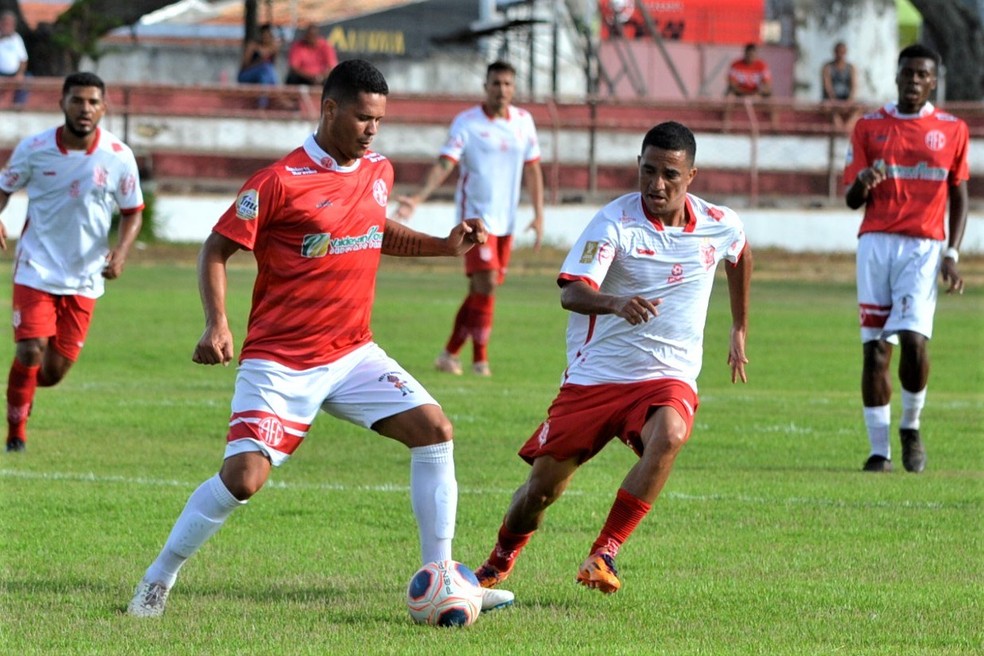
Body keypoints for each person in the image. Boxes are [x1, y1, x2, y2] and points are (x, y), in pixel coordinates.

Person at [126, 59, 514, 618]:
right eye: (362, 118)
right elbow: (215, 249)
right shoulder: (278, 182)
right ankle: (158, 578)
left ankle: (443, 576)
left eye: (378, 119)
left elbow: (376, 229)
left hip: (352, 352)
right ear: (329, 109)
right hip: (281, 362)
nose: (372, 130)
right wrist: (218, 323)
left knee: (434, 431)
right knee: (243, 478)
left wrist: (441, 244)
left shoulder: (377, 170)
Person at [472, 121, 752, 594]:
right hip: (596, 378)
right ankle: (499, 560)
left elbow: (740, 255)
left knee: (671, 433)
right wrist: (616, 303)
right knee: (542, 490)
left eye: (669, 175)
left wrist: (739, 325)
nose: (656, 185)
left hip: (667, 375)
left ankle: (605, 553)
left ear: (692, 177)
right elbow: (572, 293)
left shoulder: (720, 224)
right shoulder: (615, 223)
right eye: (647, 171)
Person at [0, 72, 144, 453]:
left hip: (85, 276)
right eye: (77, 100)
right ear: (62, 103)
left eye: (93, 102)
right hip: (36, 267)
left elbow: (133, 212)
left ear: (104, 108)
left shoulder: (118, 156)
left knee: (52, 371)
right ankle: (16, 435)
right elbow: (3, 187)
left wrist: (122, 252)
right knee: (30, 348)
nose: (85, 109)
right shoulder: (35, 148)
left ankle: (20, 391)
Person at [844, 44, 969, 474]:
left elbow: (960, 194)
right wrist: (863, 181)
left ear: (933, 81)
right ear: (896, 76)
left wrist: (952, 253)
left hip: (923, 247)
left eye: (922, 75)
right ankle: (879, 452)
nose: (913, 81)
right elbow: (851, 199)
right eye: (907, 73)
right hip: (876, 243)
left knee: (914, 342)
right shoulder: (868, 126)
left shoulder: (953, 129)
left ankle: (911, 427)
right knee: (876, 351)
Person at [394, 60, 544, 377]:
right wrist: (418, 197)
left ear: (514, 88)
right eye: (495, 83)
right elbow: (445, 164)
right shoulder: (467, 122)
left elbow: (532, 168)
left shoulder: (524, 122)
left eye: (507, 84)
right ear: (485, 87)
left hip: (507, 222)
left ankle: (449, 355)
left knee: (482, 289)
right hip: (475, 221)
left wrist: (539, 214)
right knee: (486, 284)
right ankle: (480, 361)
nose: (501, 89)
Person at [237, 23, 279, 108]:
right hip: (246, 76)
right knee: (266, 68)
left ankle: (264, 102)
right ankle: (271, 100)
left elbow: (273, 66)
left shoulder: (273, 48)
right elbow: (245, 66)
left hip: (264, 77)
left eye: (269, 35)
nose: (266, 37)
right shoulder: (253, 46)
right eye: (265, 35)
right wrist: (260, 62)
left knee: (266, 72)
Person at [821, 41, 859, 131]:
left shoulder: (851, 68)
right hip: (832, 100)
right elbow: (828, 87)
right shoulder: (827, 68)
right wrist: (835, 102)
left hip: (846, 100)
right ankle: (840, 129)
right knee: (830, 110)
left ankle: (846, 128)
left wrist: (849, 101)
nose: (840, 55)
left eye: (842, 52)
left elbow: (854, 86)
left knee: (859, 108)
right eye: (838, 52)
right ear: (834, 52)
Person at [0, 10, 29, 107]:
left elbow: (23, 59)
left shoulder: (17, 39)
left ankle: (18, 105)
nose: (7, 26)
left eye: (9, 24)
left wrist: (20, 74)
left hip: (14, 73)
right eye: (5, 24)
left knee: (27, 80)